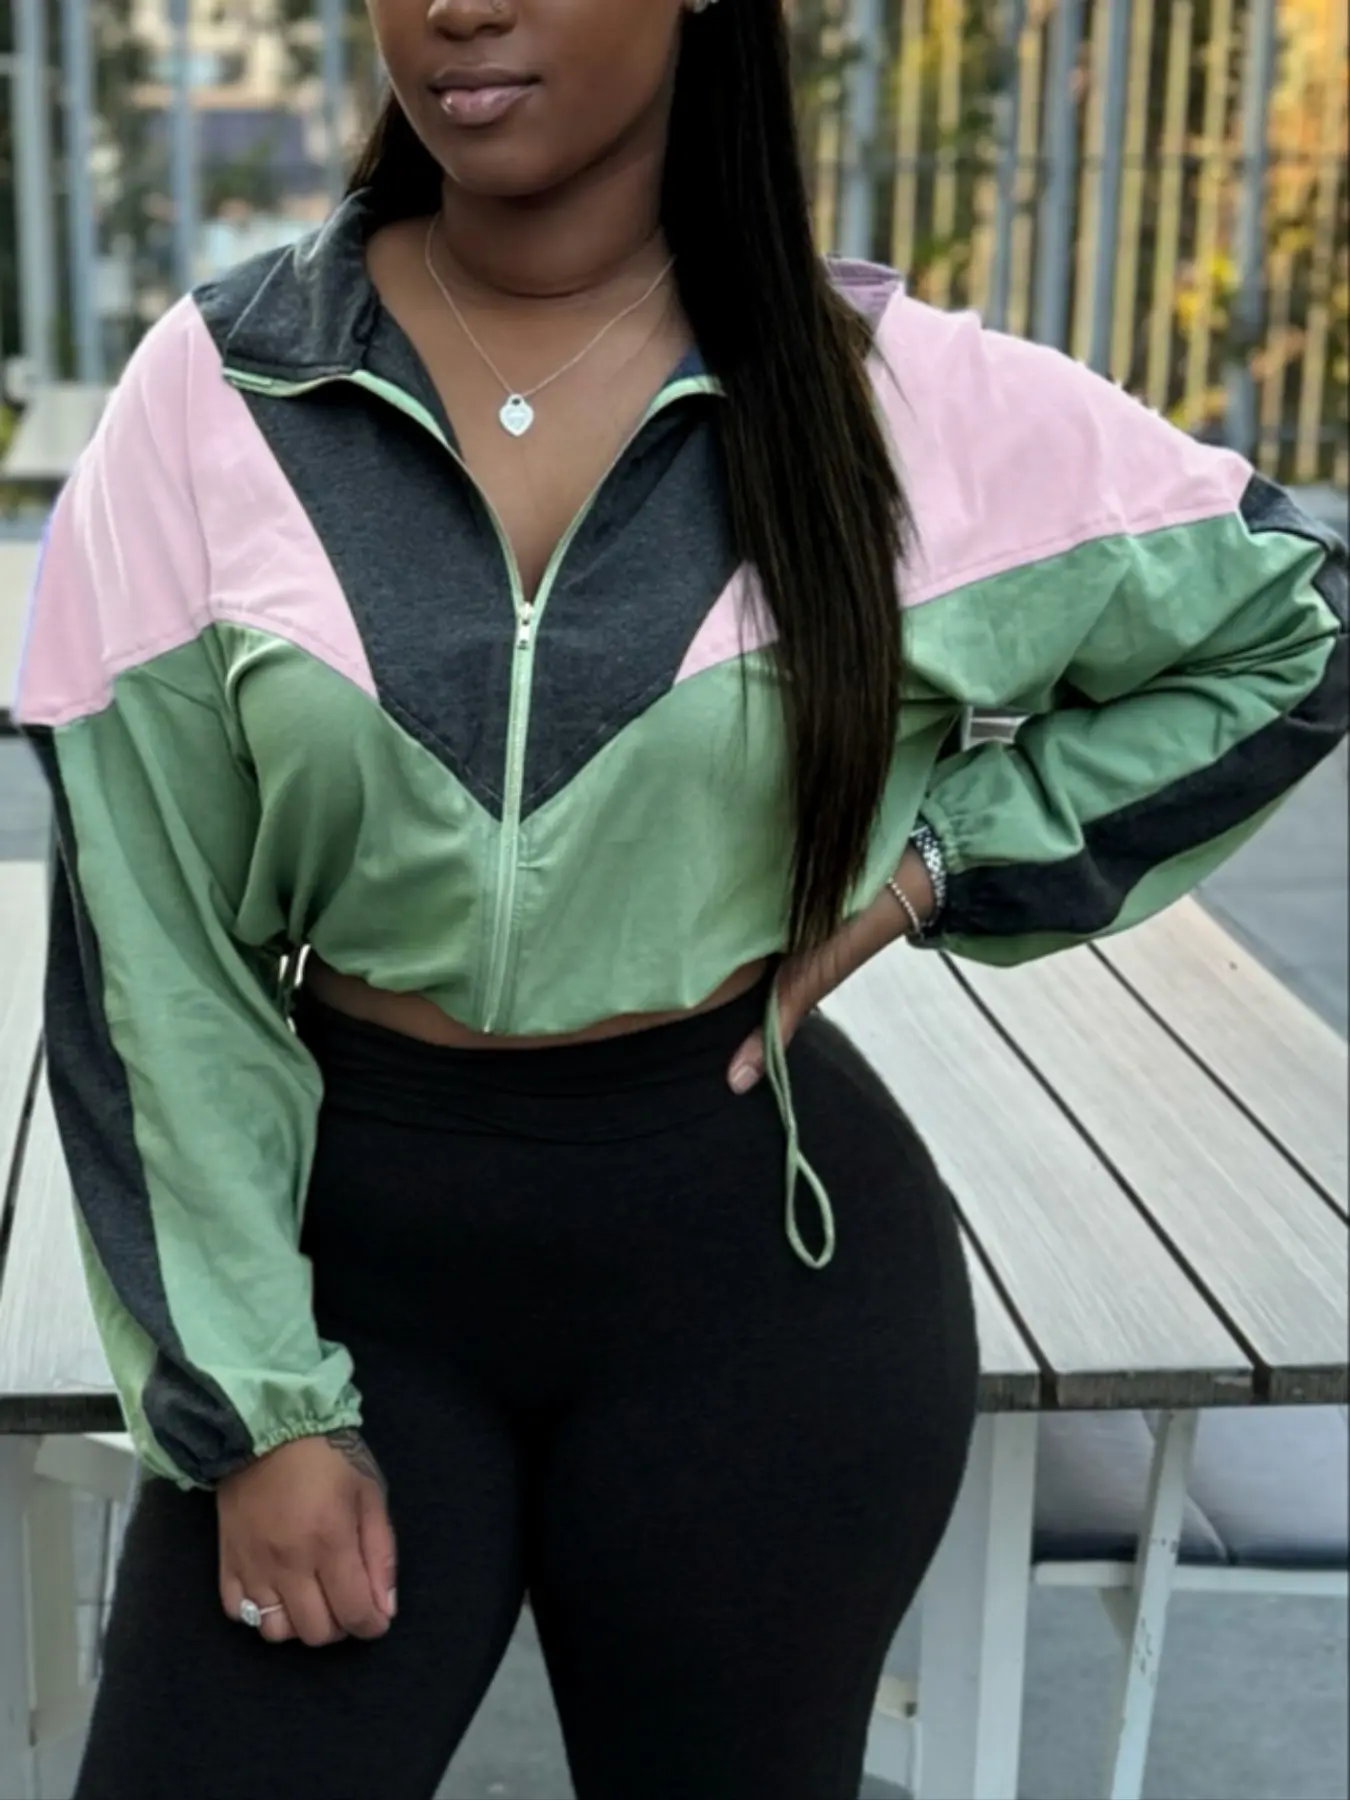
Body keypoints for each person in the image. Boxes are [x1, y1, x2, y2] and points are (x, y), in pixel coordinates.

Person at [15, 0, 1347, 1795]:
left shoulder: (897, 404)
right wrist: (254, 1414)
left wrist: (939, 865)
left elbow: (1293, 621)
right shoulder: (222, 394)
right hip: (341, 1270)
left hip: (760, 1289)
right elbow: (155, 962)